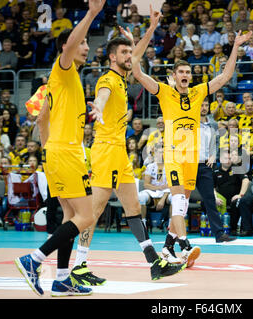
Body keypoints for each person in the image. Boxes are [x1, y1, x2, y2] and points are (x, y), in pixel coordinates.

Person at [130, 4, 252, 267]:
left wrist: (235, 47)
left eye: (188, 72)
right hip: (174, 153)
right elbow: (137, 72)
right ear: (173, 76)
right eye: (181, 73)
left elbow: (226, 75)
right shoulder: (164, 91)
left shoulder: (198, 92)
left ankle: (166, 249)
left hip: (192, 156)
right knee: (176, 200)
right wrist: (151, 27)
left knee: (182, 205)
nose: (185, 75)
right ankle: (184, 248)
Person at [71, 32, 186, 285]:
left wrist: (151, 28)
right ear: (112, 57)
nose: (129, 56)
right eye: (123, 53)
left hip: (119, 153)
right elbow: (101, 94)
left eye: (128, 53)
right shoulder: (108, 80)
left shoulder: (123, 79)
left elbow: (137, 53)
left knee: (133, 209)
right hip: (105, 151)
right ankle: (78, 266)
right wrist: (98, 105)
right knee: (94, 211)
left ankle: (155, 263)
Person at [14, 0, 107, 298]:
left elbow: (44, 120)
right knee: (87, 216)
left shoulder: (71, 81)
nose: (86, 48)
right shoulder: (63, 68)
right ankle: (35, 260)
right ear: (67, 46)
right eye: (80, 45)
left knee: (70, 217)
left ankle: (63, 279)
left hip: (56, 152)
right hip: (66, 153)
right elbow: (69, 48)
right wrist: (92, 14)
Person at [192, 98, 237, 245]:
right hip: (189, 165)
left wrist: (213, 156)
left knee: (210, 200)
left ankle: (219, 234)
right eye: (201, 105)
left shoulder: (212, 124)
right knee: (182, 199)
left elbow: (216, 144)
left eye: (205, 105)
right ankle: (175, 234)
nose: (203, 108)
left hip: (205, 166)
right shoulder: (189, 122)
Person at [214, 150, 250, 236]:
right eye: (225, 158)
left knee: (236, 203)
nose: (228, 160)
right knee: (207, 202)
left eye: (229, 158)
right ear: (221, 160)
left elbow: (246, 180)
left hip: (235, 197)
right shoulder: (215, 171)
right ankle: (215, 228)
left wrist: (240, 195)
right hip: (221, 198)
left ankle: (233, 228)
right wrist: (215, 198)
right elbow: (212, 187)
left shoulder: (237, 168)